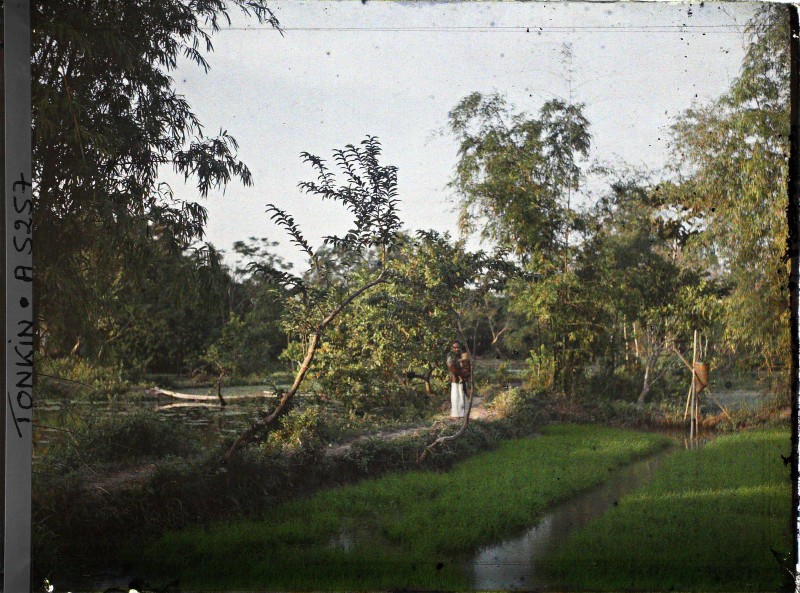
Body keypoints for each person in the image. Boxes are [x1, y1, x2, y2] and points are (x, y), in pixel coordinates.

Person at [446, 341, 470, 418]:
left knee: (463, 396)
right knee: (456, 396)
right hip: (455, 379)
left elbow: (466, 364)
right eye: (454, 347)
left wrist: (465, 374)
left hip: (463, 378)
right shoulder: (450, 356)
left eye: (457, 347)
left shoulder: (461, 355)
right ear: (452, 348)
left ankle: (464, 414)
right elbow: (451, 366)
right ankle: (456, 414)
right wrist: (459, 374)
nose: (456, 349)